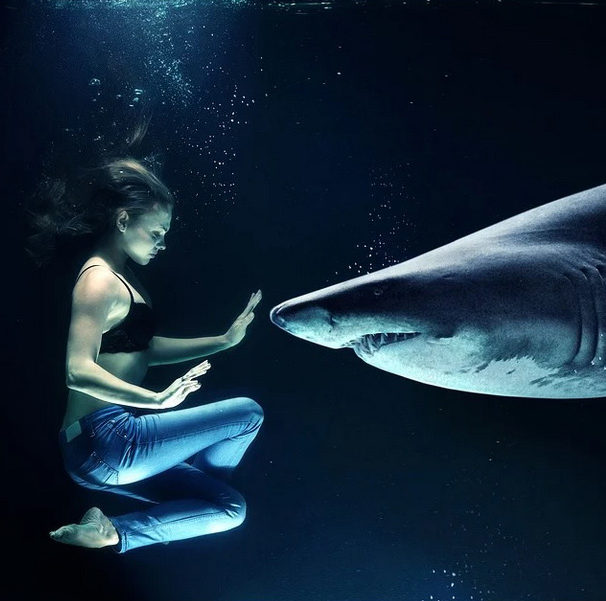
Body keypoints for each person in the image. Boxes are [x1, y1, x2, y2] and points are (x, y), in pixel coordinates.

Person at [35, 157, 263, 553]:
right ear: (123, 220)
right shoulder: (98, 281)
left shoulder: (120, 277)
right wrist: (155, 400)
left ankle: (114, 533)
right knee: (248, 413)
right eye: (156, 231)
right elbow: (76, 370)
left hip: (93, 455)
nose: (162, 242)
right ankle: (193, 484)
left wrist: (223, 340)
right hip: (106, 440)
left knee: (229, 508)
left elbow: (143, 351)